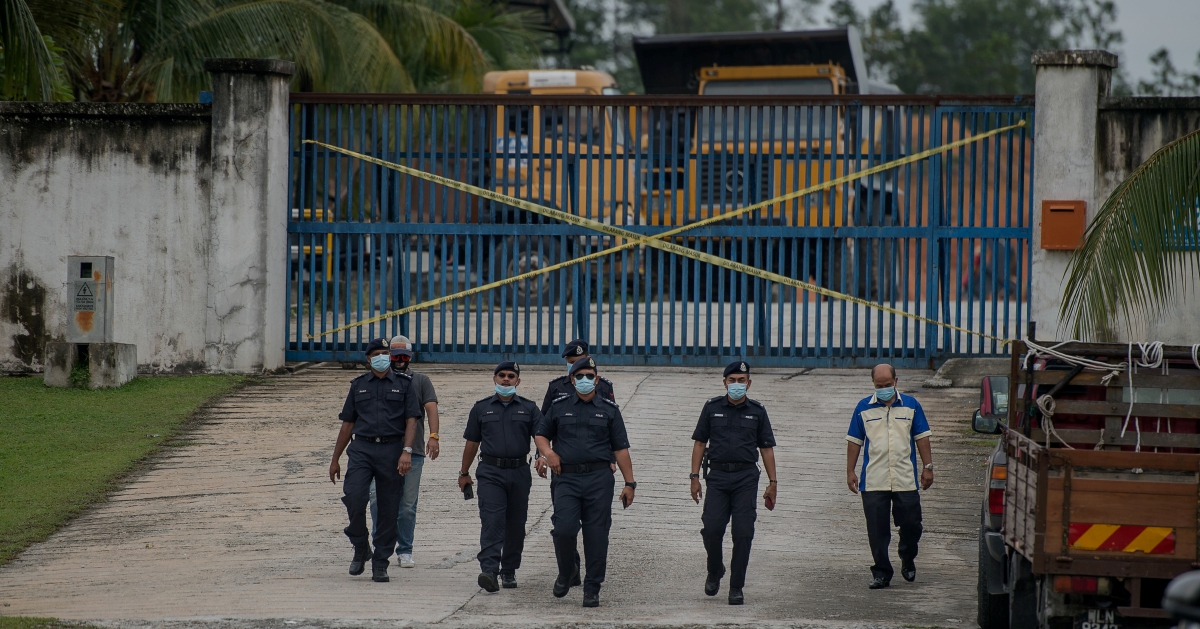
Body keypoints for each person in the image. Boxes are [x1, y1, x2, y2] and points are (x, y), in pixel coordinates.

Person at [535, 356, 636, 608]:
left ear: (597, 379)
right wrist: (548, 454)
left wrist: (629, 483)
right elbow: (540, 434)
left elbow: (621, 449)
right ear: (572, 379)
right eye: (579, 376)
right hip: (566, 478)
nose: (584, 380)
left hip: (598, 479)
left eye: (589, 376)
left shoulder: (610, 410)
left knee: (596, 535)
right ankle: (566, 571)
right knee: (563, 529)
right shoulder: (559, 406)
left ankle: (592, 587)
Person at [328, 337, 423, 582]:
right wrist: (335, 458)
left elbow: (412, 419)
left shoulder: (404, 384)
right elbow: (348, 422)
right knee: (354, 497)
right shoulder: (358, 385)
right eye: (377, 353)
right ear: (368, 358)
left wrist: (407, 451)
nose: (383, 356)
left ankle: (380, 562)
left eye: (386, 352)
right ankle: (361, 546)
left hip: (392, 450)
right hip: (362, 449)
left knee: (389, 509)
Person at [689, 361, 777, 605]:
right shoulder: (711, 408)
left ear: (749, 383)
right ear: (724, 382)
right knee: (712, 528)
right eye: (732, 380)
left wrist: (773, 482)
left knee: (743, 533)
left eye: (741, 381)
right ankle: (715, 569)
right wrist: (694, 477)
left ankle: (736, 586)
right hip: (717, 477)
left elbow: (766, 448)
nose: (736, 385)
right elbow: (699, 443)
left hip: (746, 478)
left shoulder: (757, 411)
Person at [845, 364, 934, 589]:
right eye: (879, 386)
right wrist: (850, 471)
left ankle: (907, 556)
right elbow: (855, 441)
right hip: (874, 479)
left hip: (905, 478)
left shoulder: (911, 406)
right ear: (873, 385)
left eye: (887, 385)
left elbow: (922, 437)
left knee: (912, 524)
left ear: (896, 381)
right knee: (877, 530)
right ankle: (882, 572)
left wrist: (928, 467)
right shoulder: (862, 408)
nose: (884, 389)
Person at [459, 361, 544, 592]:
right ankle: (489, 570)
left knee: (516, 524)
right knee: (492, 520)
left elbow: (540, 438)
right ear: (494, 379)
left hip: (519, 472)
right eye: (502, 375)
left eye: (511, 376)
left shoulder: (529, 408)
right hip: (490, 472)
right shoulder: (481, 408)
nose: (506, 379)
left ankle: (509, 570)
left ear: (518, 381)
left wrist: (541, 456)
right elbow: (472, 443)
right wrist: (464, 473)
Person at [367, 335, 441, 569]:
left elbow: (431, 409)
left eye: (404, 357)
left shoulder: (420, 381)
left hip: (414, 450)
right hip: (382, 450)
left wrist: (433, 436)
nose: (400, 361)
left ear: (410, 357)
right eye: (395, 356)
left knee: (407, 504)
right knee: (376, 498)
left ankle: (405, 549)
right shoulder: (377, 380)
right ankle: (381, 544)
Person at [540, 339, 616, 414]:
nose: (576, 365)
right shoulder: (556, 387)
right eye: (572, 362)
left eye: (580, 361)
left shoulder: (604, 387)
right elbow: (544, 419)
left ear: (589, 359)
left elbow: (613, 415)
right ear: (566, 361)